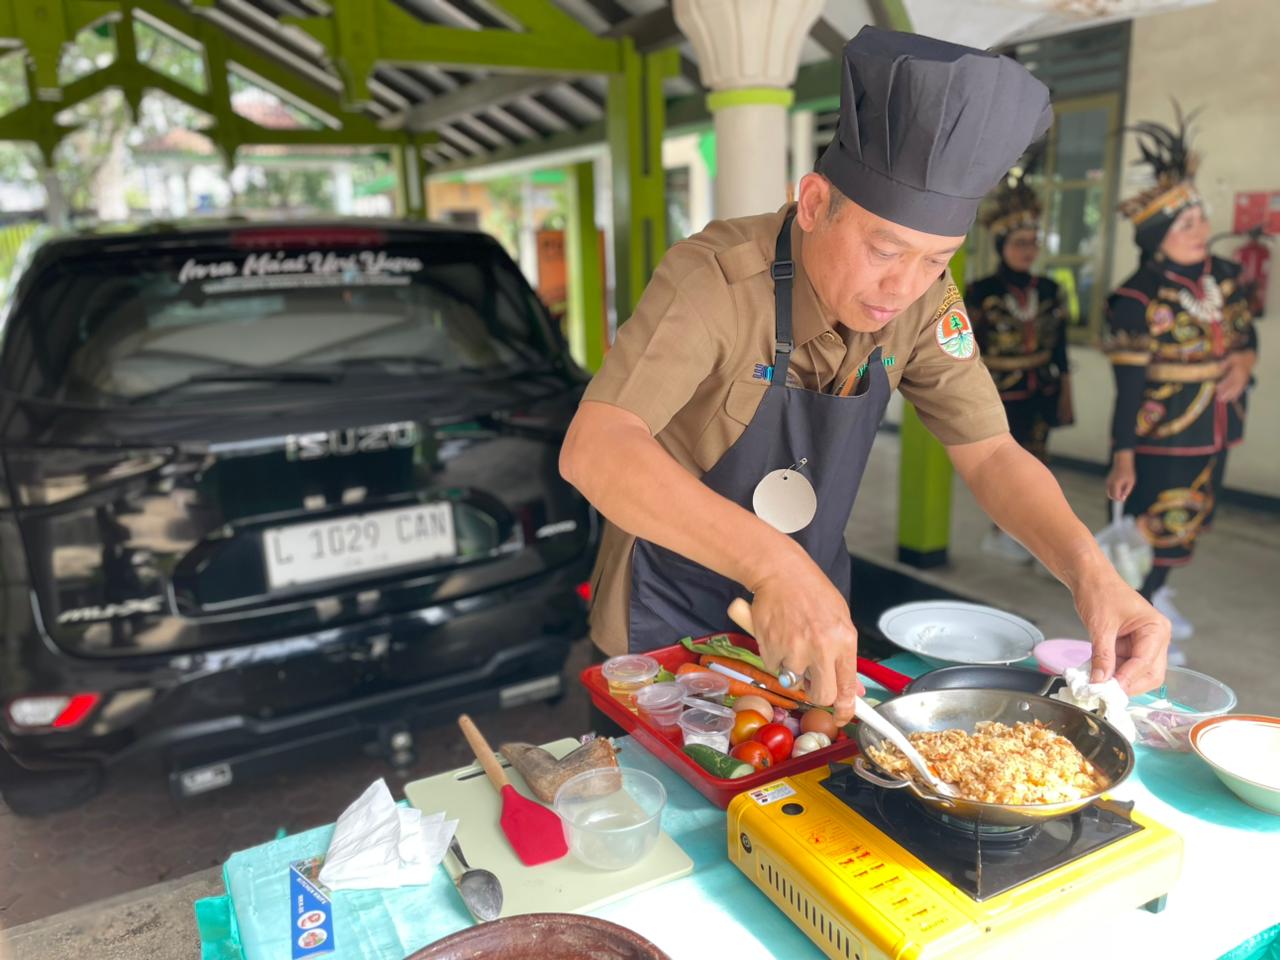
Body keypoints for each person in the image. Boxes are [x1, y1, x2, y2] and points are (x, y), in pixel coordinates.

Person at [561, 27, 1171, 726]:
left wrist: (1093, 575)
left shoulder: (924, 300)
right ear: (816, 203)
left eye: (936, 259)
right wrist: (776, 568)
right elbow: (597, 446)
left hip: (814, 629)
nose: (904, 288)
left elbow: (992, 453)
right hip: (665, 618)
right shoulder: (714, 279)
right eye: (886, 250)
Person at [1104, 106, 1257, 660]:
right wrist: (1123, 454)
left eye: (1200, 220)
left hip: (1216, 427)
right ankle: (1136, 622)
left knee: (1190, 517)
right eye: (1184, 224)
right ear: (1156, 236)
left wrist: (1242, 364)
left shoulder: (1226, 278)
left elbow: (1245, 338)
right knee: (1150, 521)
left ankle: (1159, 594)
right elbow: (1128, 385)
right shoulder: (1137, 296)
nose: (1199, 232)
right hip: (1159, 432)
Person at [967, 166, 1075, 563]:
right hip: (997, 389)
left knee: (1037, 462)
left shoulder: (1050, 289)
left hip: (1040, 388)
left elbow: (1060, 346)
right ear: (1001, 244)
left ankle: (1028, 529)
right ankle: (1000, 528)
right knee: (999, 464)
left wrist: (1065, 388)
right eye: (1019, 242)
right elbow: (967, 349)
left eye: (1033, 242)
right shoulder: (981, 292)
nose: (1028, 250)